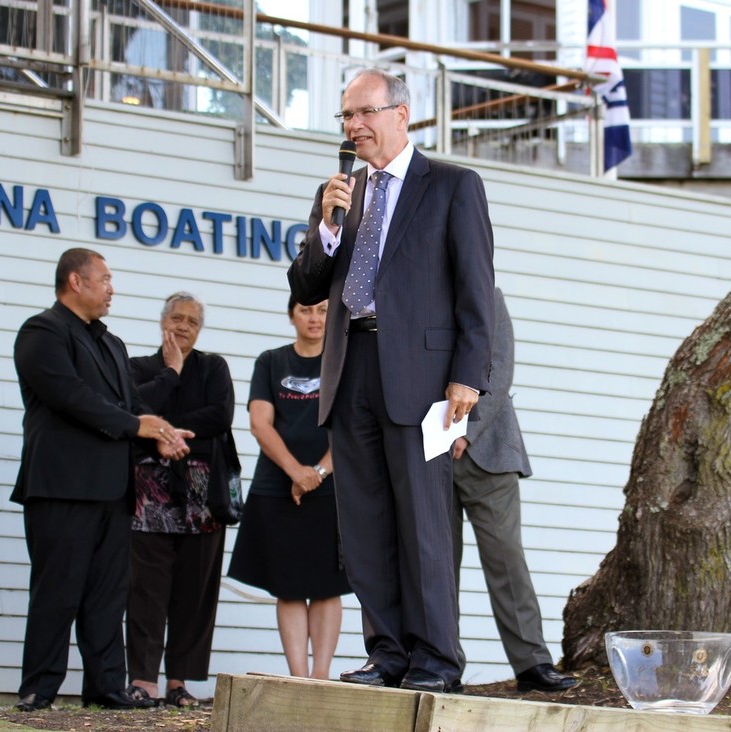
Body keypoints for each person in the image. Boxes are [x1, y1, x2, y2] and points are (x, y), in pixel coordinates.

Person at [288, 67, 495, 694]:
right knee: (366, 526)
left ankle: (436, 660)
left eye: (364, 114)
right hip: (349, 373)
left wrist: (469, 375)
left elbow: (475, 290)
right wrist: (326, 227)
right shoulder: (340, 193)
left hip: (425, 380)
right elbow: (305, 287)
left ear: (402, 114)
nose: (354, 127)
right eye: (345, 117)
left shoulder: (453, 187)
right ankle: (388, 655)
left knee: (425, 525)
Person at [11, 248, 190, 712]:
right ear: (76, 281)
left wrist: (161, 434)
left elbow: (128, 406)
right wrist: (139, 427)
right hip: (61, 485)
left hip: (112, 487)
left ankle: (106, 685)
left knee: (108, 593)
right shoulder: (42, 332)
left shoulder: (110, 343)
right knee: (58, 588)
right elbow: (71, 397)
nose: (113, 288)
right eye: (105, 279)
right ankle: (40, 688)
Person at [451, 288, 577, 693]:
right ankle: (439, 662)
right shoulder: (412, 291)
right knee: (434, 566)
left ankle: (531, 663)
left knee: (506, 559)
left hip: (487, 450)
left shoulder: (487, 295)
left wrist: (466, 432)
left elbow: (499, 367)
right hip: (424, 456)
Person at [228, 295, 352, 679]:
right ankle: (298, 678)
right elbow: (260, 423)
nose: (314, 318)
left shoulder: (344, 359)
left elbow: (351, 426)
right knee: (290, 586)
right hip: (276, 486)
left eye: (322, 311)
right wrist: (297, 471)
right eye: (305, 310)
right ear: (291, 316)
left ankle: (321, 677)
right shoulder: (271, 361)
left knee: (328, 586)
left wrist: (317, 471)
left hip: (331, 486)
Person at [125, 292, 235, 708]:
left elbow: (219, 417)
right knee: (146, 590)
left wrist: (164, 430)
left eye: (192, 320)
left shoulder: (213, 367)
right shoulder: (138, 368)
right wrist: (170, 376)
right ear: (162, 322)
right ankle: (143, 680)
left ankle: (178, 682)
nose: (184, 325)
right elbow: (134, 412)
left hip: (202, 496)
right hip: (149, 493)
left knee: (194, 591)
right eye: (176, 317)